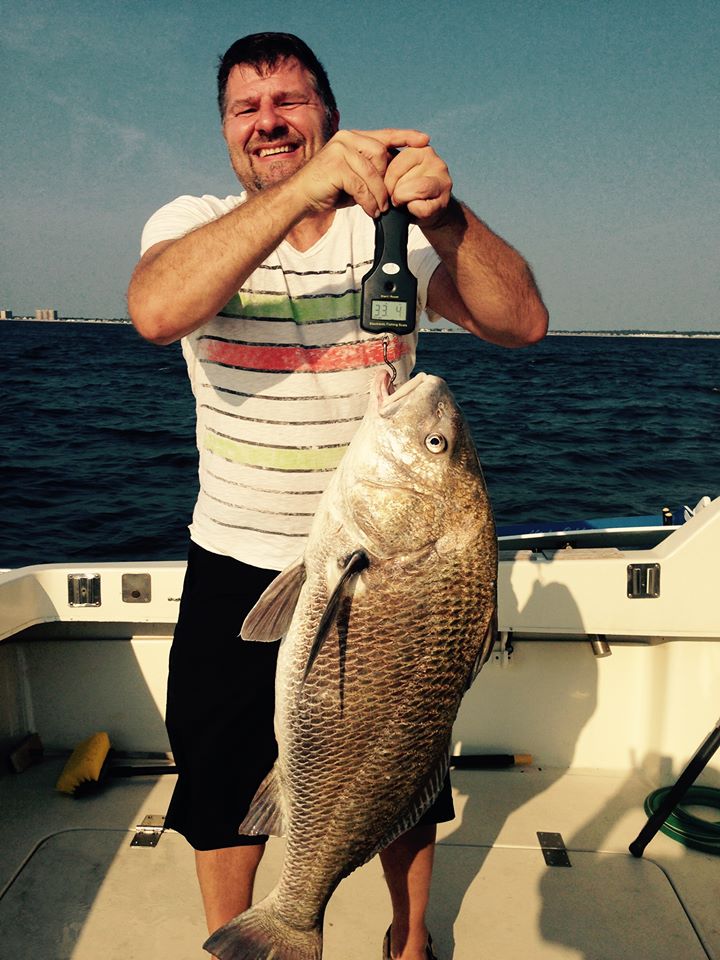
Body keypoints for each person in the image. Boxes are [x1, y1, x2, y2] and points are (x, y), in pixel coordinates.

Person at [128, 32, 547, 960]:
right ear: (227, 131)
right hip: (238, 554)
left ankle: (408, 944)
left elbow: (522, 322)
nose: (270, 122)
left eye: (290, 103)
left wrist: (444, 216)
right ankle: (255, 940)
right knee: (220, 772)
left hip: (396, 568)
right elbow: (157, 311)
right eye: (248, 108)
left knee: (404, 766)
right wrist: (301, 193)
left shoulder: (384, 231)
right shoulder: (194, 220)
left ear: (331, 117)